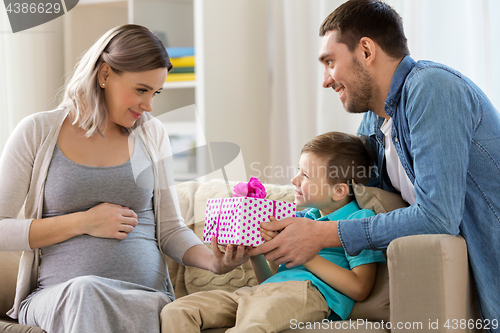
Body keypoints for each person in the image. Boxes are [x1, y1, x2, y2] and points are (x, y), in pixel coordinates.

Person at [251, 0, 500, 328]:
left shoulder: (432, 89)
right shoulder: (375, 121)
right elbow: (345, 196)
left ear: (366, 51)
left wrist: (324, 234)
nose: (326, 80)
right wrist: (269, 226)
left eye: (330, 62)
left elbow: (438, 217)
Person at [0, 24, 250, 333]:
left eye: (155, 93)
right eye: (141, 90)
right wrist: (83, 222)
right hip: (61, 298)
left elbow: (171, 229)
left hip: (144, 297)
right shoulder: (37, 132)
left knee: (103, 296)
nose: (149, 106)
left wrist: (215, 263)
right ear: (104, 74)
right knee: (85, 292)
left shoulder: (151, 133)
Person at [161, 131, 386, 332]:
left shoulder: (358, 221)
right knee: (178, 311)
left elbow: (360, 288)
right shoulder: (302, 219)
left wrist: (304, 254)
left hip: (305, 294)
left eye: (305, 175)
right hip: (264, 292)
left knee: (250, 327)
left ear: (339, 191)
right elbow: (271, 280)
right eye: (299, 170)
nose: (294, 179)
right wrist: (255, 253)